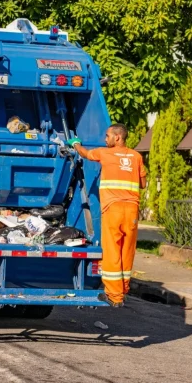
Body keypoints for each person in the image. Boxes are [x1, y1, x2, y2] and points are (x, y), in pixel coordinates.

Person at [67, 123, 147, 308]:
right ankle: (123, 289)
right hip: (132, 211)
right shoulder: (136, 157)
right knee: (127, 251)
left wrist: (76, 144)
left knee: (112, 251)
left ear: (117, 137)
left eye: (107, 135)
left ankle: (114, 296)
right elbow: (143, 183)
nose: (105, 139)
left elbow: (86, 154)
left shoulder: (104, 153)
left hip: (113, 210)